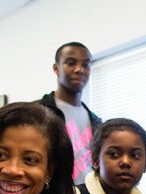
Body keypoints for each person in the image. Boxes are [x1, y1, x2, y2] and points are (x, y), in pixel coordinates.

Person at [36, 42, 101, 185]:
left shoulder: (96, 121)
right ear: (56, 68)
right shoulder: (38, 112)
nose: (79, 69)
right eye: (71, 63)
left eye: (86, 65)